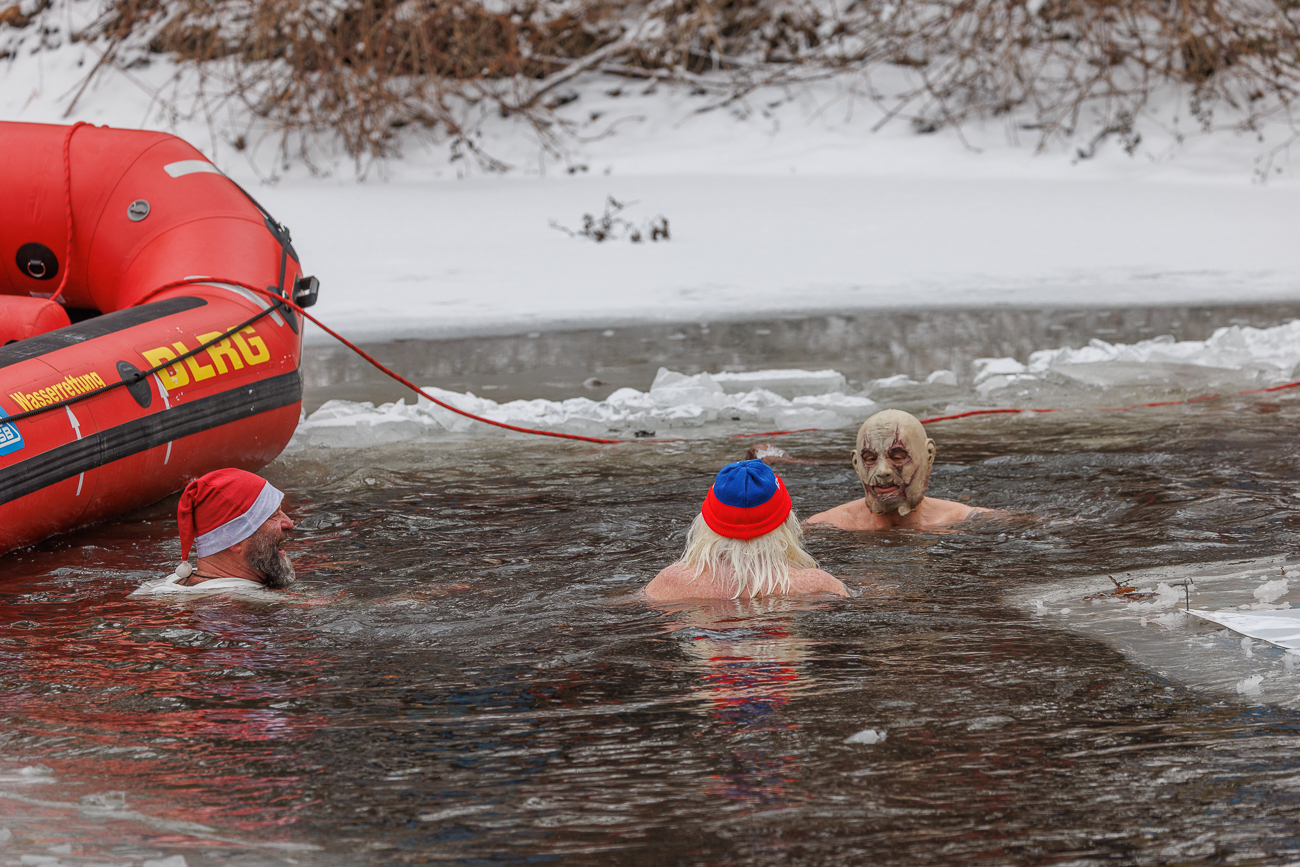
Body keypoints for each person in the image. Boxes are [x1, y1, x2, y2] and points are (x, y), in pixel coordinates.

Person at [645, 460, 848, 600]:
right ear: (785, 522)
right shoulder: (817, 586)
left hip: (710, 662)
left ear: (707, 521)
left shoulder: (671, 583)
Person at [807, 408, 988, 531]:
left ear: (929, 455)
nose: (882, 471)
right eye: (870, 459)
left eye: (898, 457)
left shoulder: (968, 521)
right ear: (856, 463)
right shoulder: (825, 526)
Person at [132, 468, 296, 597]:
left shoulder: (154, 588)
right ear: (232, 539)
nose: (289, 523)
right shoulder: (248, 601)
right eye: (273, 515)